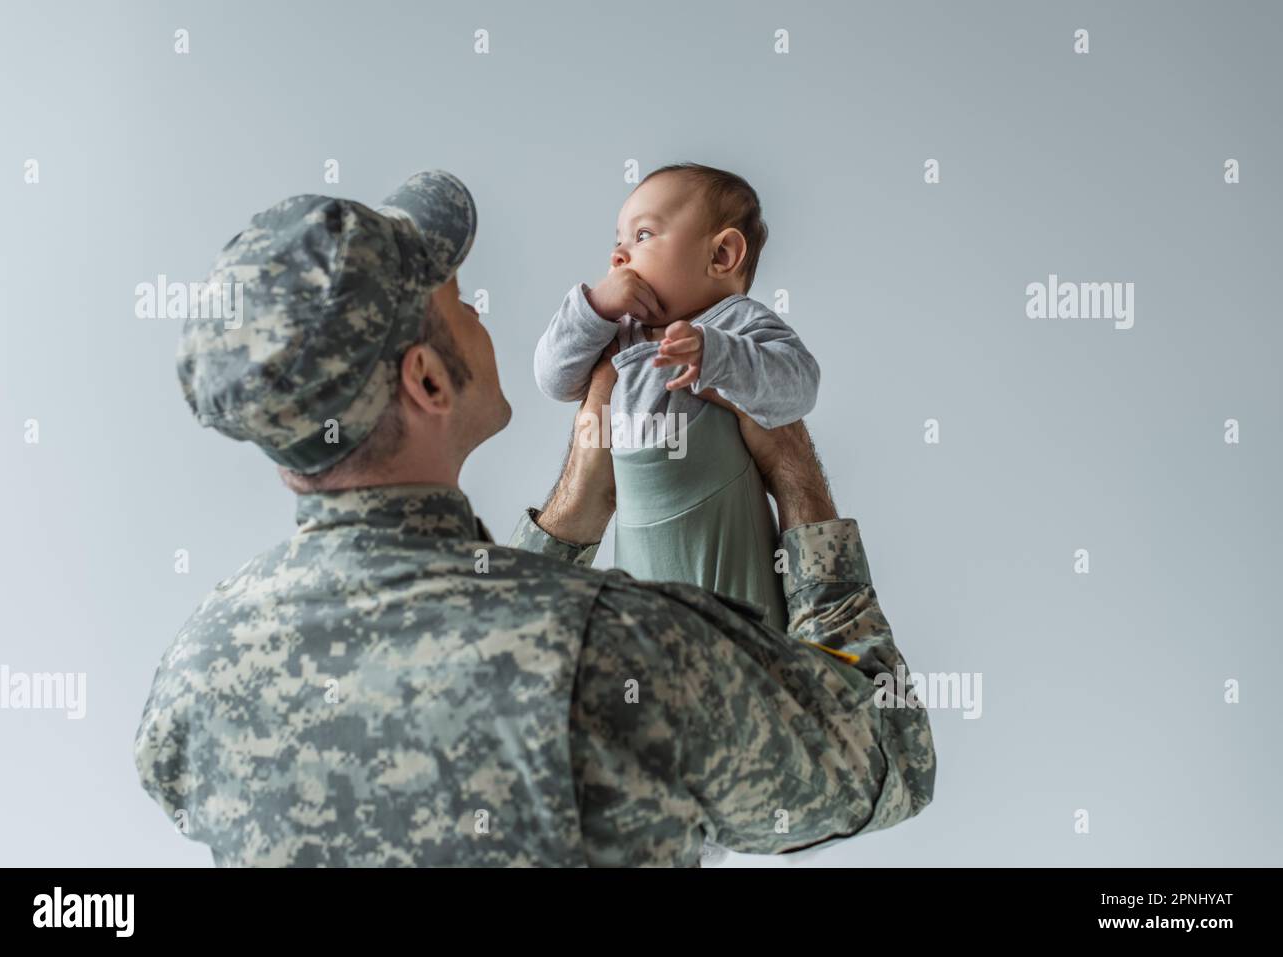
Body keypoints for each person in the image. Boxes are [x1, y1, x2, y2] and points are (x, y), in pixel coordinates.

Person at [134, 169, 936, 866]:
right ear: (428, 382)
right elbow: (889, 756)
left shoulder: (196, 673)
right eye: (455, 298)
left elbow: (482, 637)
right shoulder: (627, 653)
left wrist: (569, 515)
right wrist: (795, 475)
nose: (479, 306)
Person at [534, 163, 818, 633]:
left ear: (722, 255)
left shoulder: (736, 323)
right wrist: (595, 309)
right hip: (641, 568)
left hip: (730, 569)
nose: (619, 256)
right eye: (617, 242)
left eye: (643, 235)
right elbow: (553, 379)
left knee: (741, 652)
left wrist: (720, 356)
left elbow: (799, 387)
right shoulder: (619, 333)